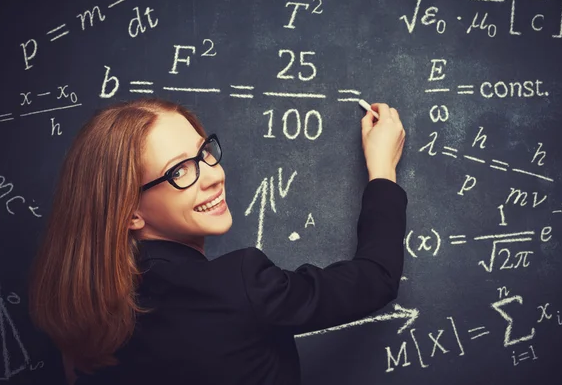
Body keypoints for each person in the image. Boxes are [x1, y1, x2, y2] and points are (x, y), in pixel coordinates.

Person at [28, 97, 407, 385]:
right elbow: (375, 278)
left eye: (203, 152)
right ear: (130, 212)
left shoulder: (82, 322)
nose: (212, 175)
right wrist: (383, 168)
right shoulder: (239, 285)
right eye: (180, 171)